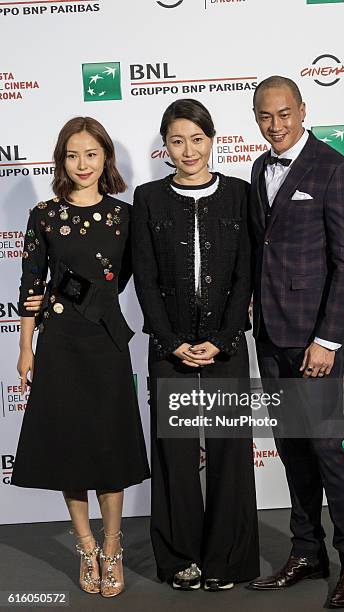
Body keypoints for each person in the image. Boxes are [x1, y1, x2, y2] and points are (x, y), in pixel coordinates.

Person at [12, 116, 150, 598]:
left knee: (109, 450)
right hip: (59, 346)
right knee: (70, 451)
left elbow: (131, 277)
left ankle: (112, 547)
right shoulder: (44, 215)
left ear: (105, 157)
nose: (82, 163)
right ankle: (86, 546)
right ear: (61, 160)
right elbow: (31, 286)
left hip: (105, 345)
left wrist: (100, 309)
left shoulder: (124, 215)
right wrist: (25, 346)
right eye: (73, 155)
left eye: (91, 154)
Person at [246, 76, 344, 608]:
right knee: (292, 448)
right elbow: (263, 245)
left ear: (302, 109)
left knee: (325, 448)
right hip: (270, 333)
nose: (275, 126)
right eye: (265, 117)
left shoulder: (337, 169)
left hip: (314, 339)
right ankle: (306, 552)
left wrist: (328, 340)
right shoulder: (257, 168)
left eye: (283, 114)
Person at [132, 98, 259, 592]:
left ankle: (227, 557)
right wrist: (170, 341)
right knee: (176, 456)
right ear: (165, 146)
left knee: (229, 452)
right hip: (170, 347)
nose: (189, 150)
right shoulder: (148, 198)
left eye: (198, 139)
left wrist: (224, 338)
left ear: (213, 141)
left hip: (225, 343)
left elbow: (246, 273)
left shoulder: (240, 194)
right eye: (178, 140)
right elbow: (144, 277)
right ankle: (180, 557)